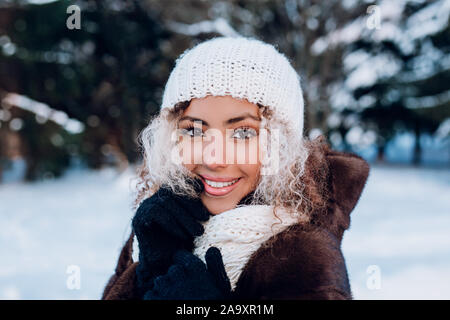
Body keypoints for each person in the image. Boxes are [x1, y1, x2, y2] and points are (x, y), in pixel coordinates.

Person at [102, 36, 370, 300]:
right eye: (194, 130)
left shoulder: (304, 257)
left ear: (281, 147)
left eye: (243, 133)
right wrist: (147, 273)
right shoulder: (160, 221)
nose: (214, 158)